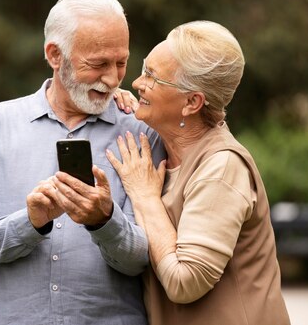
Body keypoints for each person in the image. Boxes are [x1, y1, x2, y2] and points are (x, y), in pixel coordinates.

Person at [0, 0, 165, 325]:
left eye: (121, 62)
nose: (111, 78)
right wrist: (30, 222)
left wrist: (104, 220)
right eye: (98, 64)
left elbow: (145, 258)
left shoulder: (141, 132)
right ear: (54, 55)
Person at [100, 21, 290, 324]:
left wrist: (146, 197)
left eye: (152, 77)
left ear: (192, 102)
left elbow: (184, 282)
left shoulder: (221, 168)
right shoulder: (165, 147)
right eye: (144, 69)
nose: (136, 82)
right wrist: (119, 105)